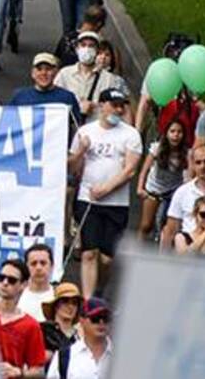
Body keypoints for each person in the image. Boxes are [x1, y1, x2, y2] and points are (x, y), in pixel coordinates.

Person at [68, 89, 140, 299]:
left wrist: (106, 188)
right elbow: (72, 167)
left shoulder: (130, 134)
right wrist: (81, 150)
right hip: (87, 199)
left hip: (116, 203)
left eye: (122, 105)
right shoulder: (85, 131)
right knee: (89, 252)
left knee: (107, 258)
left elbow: (130, 169)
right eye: (114, 105)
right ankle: (88, 300)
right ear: (102, 105)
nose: (118, 109)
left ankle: (99, 288)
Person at [0, 257, 48, 378]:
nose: (5, 283)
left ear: (23, 285)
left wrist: (19, 373)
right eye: (1, 278)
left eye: (12, 280)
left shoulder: (31, 325)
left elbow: (39, 370)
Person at [49, 298, 111, 379]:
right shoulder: (64, 356)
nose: (101, 323)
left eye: (106, 318)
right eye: (95, 318)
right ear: (82, 320)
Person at [39, 282, 82, 355]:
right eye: (65, 301)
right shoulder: (43, 330)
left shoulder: (80, 337)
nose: (70, 307)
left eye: (74, 303)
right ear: (56, 306)